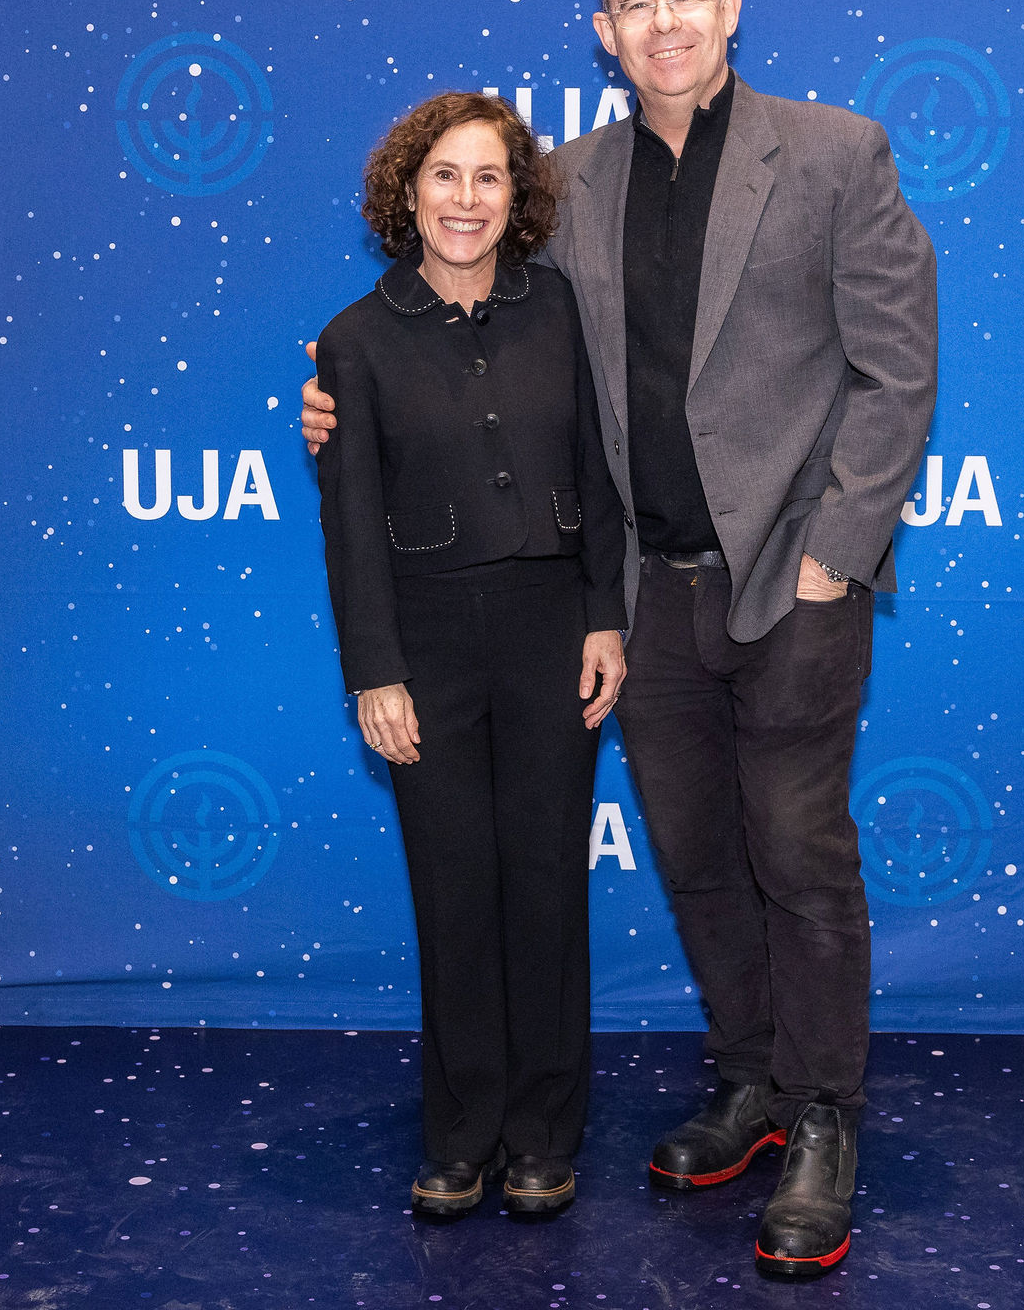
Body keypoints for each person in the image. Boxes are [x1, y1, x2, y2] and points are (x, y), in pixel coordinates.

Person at [305, 0, 936, 1275]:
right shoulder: (567, 184)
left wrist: (834, 553)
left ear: (729, 7)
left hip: (793, 580)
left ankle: (824, 1116)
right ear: (603, 33)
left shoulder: (836, 154)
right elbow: (479, 337)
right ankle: (750, 1080)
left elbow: (898, 369)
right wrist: (350, 402)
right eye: (636, 4)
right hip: (643, 598)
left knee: (798, 853)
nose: (665, 23)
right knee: (697, 857)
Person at [314, 91, 628, 1219]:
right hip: (426, 645)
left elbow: (599, 473)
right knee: (453, 891)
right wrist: (374, 670)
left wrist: (605, 617)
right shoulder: (353, 341)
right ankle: (459, 1133)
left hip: (554, 633)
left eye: (487, 176)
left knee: (545, 885)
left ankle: (543, 1131)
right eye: (443, 175)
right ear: (407, 194)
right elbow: (350, 524)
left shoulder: (563, 312)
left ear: (516, 197)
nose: (465, 198)